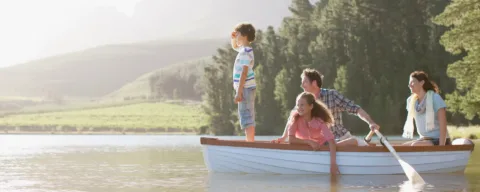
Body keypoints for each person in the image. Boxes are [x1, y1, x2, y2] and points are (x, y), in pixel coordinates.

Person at [274, 68, 380, 146]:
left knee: (358, 143)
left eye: (304, 82)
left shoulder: (332, 95)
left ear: (314, 83)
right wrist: (284, 137)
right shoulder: (303, 101)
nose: (302, 86)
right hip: (321, 142)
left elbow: (356, 109)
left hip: (341, 138)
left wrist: (371, 122)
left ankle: (363, 145)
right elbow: (292, 119)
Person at [286, 92, 340, 175]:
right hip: (308, 145)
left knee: (350, 142)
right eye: (298, 105)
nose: (299, 108)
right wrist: (309, 141)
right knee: (344, 143)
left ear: (310, 106)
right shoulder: (295, 118)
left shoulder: (319, 120)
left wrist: (333, 163)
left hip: (323, 144)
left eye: (302, 105)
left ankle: (354, 141)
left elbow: (331, 141)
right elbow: (291, 139)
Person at [402, 71, 450, 146]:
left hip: (439, 140)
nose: (409, 85)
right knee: (404, 146)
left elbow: (443, 124)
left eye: (412, 82)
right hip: (424, 139)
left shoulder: (435, 98)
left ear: (421, 83)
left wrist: (441, 147)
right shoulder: (410, 101)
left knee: (415, 145)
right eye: (409, 83)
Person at [230, 22, 257, 142]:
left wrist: (239, 91)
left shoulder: (245, 52)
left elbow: (244, 72)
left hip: (245, 88)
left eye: (238, 34)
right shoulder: (244, 50)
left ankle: (250, 142)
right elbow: (235, 46)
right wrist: (233, 38)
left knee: (246, 116)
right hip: (245, 88)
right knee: (246, 115)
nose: (236, 36)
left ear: (245, 35)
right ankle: (249, 141)